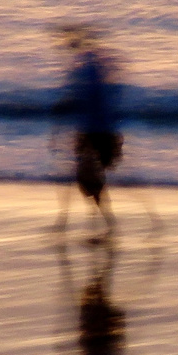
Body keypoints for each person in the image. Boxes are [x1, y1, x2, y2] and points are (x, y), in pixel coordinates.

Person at [52, 24, 123, 235]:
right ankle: (102, 221)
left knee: (87, 176)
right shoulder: (92, 66)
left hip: (95, 130)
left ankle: (101, 221)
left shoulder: (86, 68)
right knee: (89, 176)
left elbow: (88, 98)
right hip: (98, 129)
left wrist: (66, 105)